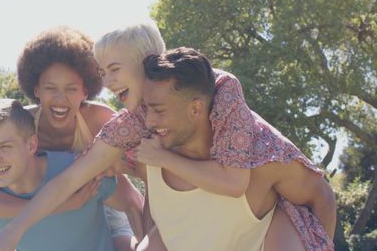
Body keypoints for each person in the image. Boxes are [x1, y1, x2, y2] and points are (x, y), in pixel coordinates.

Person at [0, 25, 333, 251]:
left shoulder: (217, 88)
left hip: (277, 209)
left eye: (114, 69)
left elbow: (234, 181)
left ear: (147, 63)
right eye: (103, 72)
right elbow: (67, 182)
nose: (108, 82)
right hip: (193, 223)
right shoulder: (129, 122)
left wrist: (159, 162)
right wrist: (14, 232)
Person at [137, 47, 336, 250]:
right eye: (146, 108)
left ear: (196, 108)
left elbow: (322, 197)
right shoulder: (150, 151)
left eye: (159, 110)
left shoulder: (262, 158)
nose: (149, 120)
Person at [0, 27, 143, 250]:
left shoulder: (100, 118)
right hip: (31, 212)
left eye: (71, 89)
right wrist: (63, 205)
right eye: (50, 88)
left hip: (98, 199)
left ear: (85, 91)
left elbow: (135, 184)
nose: (60, 99)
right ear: (36, 90)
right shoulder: (20, 125)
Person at [0, 98, 126, 251]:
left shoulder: (78, 171)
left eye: (5, 146)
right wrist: (63, 205)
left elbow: (131, 206)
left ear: (31, 145)